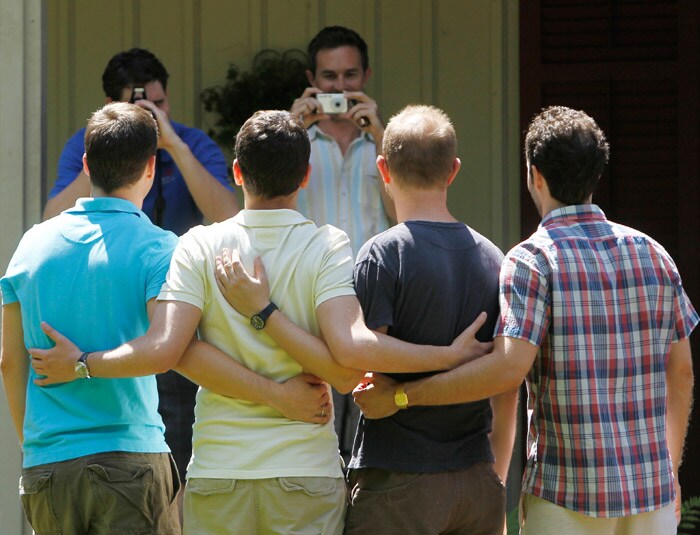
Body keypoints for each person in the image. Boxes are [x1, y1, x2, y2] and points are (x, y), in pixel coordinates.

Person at [29, 110, 490, 534]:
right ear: (305, 177)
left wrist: (85, 362)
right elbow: (349, 372)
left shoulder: (197, 245)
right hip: (306, 473)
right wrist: (281, 378)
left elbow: (174, 349)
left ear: (236, 173)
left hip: (219, 471)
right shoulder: (326, 245)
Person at [353, 106, 698, 534]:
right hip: (650, 493)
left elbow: (508, 370)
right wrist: (669, 469)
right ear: (596, 173)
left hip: (566, 492)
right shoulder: (654, 254)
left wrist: (404, 397)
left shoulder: (534, 259)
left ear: (534, 174)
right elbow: (681, 371)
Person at [43, 47, 239, 492]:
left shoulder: (185, 140)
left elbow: (229, 216)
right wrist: (108, 150)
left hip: (175, 317)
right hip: (113, 321)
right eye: (138, 106)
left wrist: (171, 145)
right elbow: (52, 216)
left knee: (182, 460)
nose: (152, 115)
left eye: (159, 103)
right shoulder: (87, 144)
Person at [0, 102, 181, 533]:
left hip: (47, 466)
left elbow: (8, 361)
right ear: (150, 168)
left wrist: (36, 447)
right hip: (130, 459)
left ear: (85, 164)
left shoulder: (31, 244)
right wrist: (83, 364)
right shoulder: (160, 246)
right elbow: (162, 351)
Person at [338, 105, 516, 534]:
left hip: (397, 477)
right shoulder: (494, 258)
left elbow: (361, 366)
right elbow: (505, 382)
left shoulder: (383, 254)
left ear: (383, 168)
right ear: (453, 171)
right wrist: (497, 475)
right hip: (477, 476)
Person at [290, 25, 396, 456]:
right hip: (309, 302)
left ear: (366, 76)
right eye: (329, 78)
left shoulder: (386, 142)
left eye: (349, 76)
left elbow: (405, 211)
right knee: (317, 433)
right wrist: (291, 130)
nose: (340, 87)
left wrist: (382, 136)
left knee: (371, 435)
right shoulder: (295, 141)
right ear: (311, 80)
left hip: (374, 303)